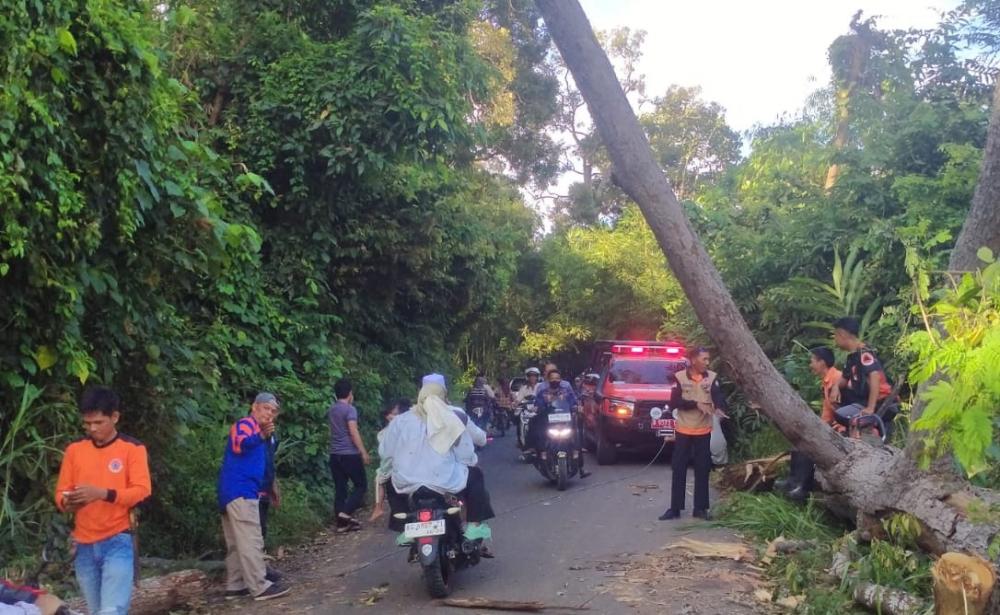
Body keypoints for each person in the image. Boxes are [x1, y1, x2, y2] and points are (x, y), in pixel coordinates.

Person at [55, 386, 152, 615]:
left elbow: (142, 491)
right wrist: (68, 502)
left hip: (118, 539)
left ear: (115, 417)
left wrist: (103, 494)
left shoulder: (133, 449)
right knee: (96, 609)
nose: (92, 428)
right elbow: (60, 493)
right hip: (83, 544)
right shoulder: (74, 451)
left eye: (99, 422)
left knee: (111, 610)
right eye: (87, 424)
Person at [379, 374, 495, 550]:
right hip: (444, 481)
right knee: (475, 475)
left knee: (388, 478)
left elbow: (386, 453)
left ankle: (403, 528)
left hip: (408, 483)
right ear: (444, 394)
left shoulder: (401, 420)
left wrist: (386, 471)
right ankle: (474, 526)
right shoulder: (452, 416)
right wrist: (470, 463)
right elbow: (466, 453)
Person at [218, 393, 290, 601]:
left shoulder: (266, 435)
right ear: (254, 407)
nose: (269, 413)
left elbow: (266, 461)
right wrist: (260, 435)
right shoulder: (246, 425)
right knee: (250, 538)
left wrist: (271, 485)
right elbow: (240, 444)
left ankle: (236, 584)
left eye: (273, 411)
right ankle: (259, 585)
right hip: (241, 490)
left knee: (235, 541)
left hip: (234, 491)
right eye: (266, 408)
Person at [660, 348, 726, 521]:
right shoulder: (679, 377)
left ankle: (701, 508)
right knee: (679, 468)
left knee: (703, 469)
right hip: (683, 430)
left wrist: (720, 408)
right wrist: (695, 404)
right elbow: (674, 402)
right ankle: (675, 509)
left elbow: (718, 396)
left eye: (708, 359)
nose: (707, 362)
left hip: (703, 430)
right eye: (704, 359)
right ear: (693, 360)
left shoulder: (712, 377)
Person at [778, 348, 843, 501]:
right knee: (799, 444)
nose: (810, 364)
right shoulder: (827, 380)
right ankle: (793, 481)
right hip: (832, 426)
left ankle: (804, 487)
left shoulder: (837, 379)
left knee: (811, 447)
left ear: (822, 362)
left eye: (813, 361)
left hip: (842, 428)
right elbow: (827, 412)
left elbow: (842, 409)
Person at [832, 317, 892, 435]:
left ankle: (868, 429)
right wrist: (835, 387)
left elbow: (875, 377)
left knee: (844, 415)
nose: (835, 339)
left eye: (835, 335)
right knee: (841, 407)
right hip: (862, 399)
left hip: (880, 400)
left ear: (842, 334)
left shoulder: (864, 353)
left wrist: (870, 407)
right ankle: (855, 429)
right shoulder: (852, 357)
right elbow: (844, 379)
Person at [327, 379, 371, 533]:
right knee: (361, 485)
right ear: (350, 393)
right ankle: (345, 514)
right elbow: (353, 432)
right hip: (349, 454)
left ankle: (341, 524)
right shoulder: (350, 410)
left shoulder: (332, 409)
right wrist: (363, 452)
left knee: (340, 488)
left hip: (335, 454)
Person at [531, 369, 589, 477]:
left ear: (560, 380)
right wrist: (536, 409)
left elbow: (573, 402)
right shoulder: (543, 393)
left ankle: (580, 467)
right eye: (552, 378)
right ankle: (537, 453)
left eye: (557, 378)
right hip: (548, 424)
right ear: (548, 380)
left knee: (576, 438)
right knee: (538, 434)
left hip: (565, 423)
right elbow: (537, 405)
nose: (555, 380)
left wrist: (577, 407)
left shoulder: (566, 391)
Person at [369, 399, 409, 522]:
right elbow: (386, 455)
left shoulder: (409, 429)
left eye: (396, 414)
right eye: (391, 414)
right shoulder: (383, 434)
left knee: (380, 477)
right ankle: (378, 507)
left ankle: (378, 507)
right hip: (394, 467)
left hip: (403, 467)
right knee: (380, 477)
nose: (393, 417)